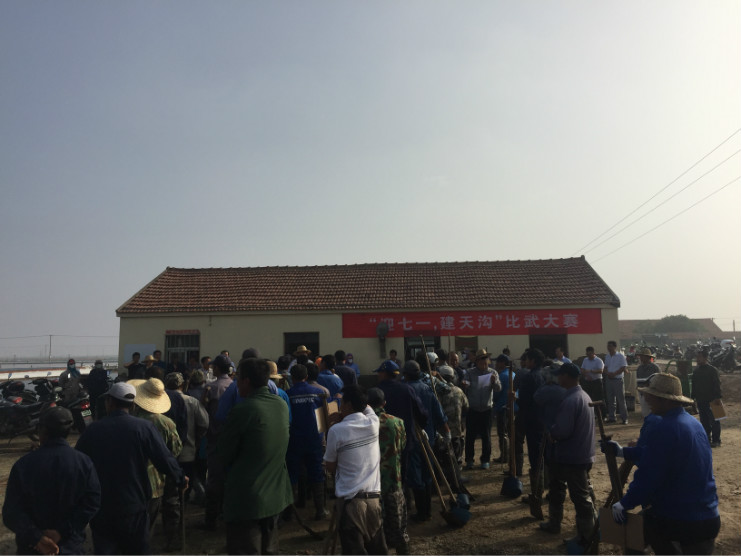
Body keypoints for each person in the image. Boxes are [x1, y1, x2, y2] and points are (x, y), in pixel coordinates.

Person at [607, 373, 720, 555]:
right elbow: (659, 455)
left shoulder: (664, 427)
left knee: (636, 536)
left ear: (665, 400)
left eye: (651, 396)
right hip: (707, 514)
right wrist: (622, 451)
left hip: (680, 517)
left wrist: (625, 503)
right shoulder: (692, 423)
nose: (646, 399)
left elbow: (649, 475)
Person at [75, 382, 185, 555]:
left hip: (103, 506)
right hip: (134, 504)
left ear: (109, 402)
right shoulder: (144, 428)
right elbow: (164, 459)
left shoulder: (92, 430)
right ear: (132, 405)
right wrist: (180, 478)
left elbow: (78, 466)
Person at [218, 358, 293, 555]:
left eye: (238, 380)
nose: (236, 385)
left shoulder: (243, 410)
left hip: (247, 498)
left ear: (246, 381)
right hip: (275, 494)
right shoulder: (280, 404)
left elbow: (224, 454)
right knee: (270, 548)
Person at [3, 407, 100, 556]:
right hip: (70, 546)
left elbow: (11, 513)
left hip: (31, 548)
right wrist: (62, 532)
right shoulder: (83, 463)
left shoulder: (23, 465)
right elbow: (92, 503)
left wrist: (37, 538)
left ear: (42, 430)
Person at [324, 385, 388, 555]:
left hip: (350, 503)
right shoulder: (373, 422)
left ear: (348, 405)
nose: (340, 406)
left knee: (354, 550)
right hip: (374, 500)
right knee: (377, 549)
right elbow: (366, 407)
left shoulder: (336, 430)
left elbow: (330, 465)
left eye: (342, 403)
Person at [537, 363, 596, 550]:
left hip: (571, 456)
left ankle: (586, 538)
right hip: (579, 453)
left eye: (559, 375)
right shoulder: (583, 396)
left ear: (566, 377)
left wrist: (551, 433)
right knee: (558, 488)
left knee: (580, 498)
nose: (557, 378)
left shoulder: (571, 400)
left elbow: (562, 430)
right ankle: (556, 524)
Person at [130, 378, 183, 550]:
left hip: (133, 481)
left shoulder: (132, 421)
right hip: (157, 481)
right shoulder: (166, 423)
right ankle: (169, 541)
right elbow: (175, 450)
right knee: (159, 515)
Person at [402, 360, 449, 522]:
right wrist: (446, 431)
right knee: (427, 473)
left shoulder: (405, 390)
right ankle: (426, 510)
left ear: (406, 374)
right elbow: (439, 413)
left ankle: (422, 511)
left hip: (413, 438)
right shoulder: (427, 388)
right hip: (428, 437)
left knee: (416, 475)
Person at [368, 387, 409, 555]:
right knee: (399, 524)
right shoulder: (397, 422)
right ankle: (403, 550)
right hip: (393, 480)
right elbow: (402, 446)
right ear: (384, 403)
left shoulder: (365, 424)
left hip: (372, 486)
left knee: (376, 529)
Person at [286, 364, 329, 520]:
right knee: (317, 472)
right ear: (306, 377)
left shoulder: (288, 395)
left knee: (292, 474)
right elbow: (324, 417)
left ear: (292, 377)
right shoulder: (319, 393)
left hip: (294, 440)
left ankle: (289, 513)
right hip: (314, 439)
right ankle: (320, 510)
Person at [165, 372, 209, 505]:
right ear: (183, 385)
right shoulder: (192, 401)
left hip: (165, 453)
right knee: (186, 485)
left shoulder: (161, 401)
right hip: (188, 451)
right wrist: (197, 438)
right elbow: (204, 423)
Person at [462, 349, 502, 470]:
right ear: (477, 361)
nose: (484, 363)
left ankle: (485, 460)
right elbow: (465, 384)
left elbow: (498, 388)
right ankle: (469, 460)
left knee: (486, 436)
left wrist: (494, 382)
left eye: (486, 361)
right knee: (470, 436)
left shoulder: (493, 373)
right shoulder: (470, 372)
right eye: (481, 361)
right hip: (472, 409)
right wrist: (465, 384)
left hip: (487, 409)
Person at [513, 348, 547, 478]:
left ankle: (537, 479)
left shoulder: (528, 377)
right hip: (543, 416)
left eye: (527, 359)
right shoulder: (545, 375)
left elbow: (524, 401)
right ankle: (544, 476)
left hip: (531, 417)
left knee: (534, 449)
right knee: (543, 447)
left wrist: (515, 399)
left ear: (533, 361)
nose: (525, 362)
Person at [437, 364, 468, 464]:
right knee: (456, 454)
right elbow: (466, 406)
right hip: (457, 430)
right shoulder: (459, 391)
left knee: (444, 457)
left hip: (443, 431)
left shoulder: (438, 392)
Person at [692, 346, 722, 448]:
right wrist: (693, 398)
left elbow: (717, 384)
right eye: (696, 357)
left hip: (713, 400)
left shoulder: (713, 370)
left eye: (699, 357)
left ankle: (716, 440)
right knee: (704, 421)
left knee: (715, 421)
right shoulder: (696, 371)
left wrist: (718, 397)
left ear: (705, 358)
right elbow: (694, 386)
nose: (697, 359)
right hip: (701, 400)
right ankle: (707, 439)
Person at [492, 354, 515, 464]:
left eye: (497, 362)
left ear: (502, 363)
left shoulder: (501, 376)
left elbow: (497, 393)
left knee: (502, 433)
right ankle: (511, 455)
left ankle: (504, 456)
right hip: (513, 406)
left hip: (502, 407)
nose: (496, 364)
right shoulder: (513, 374)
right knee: (511, 432)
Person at [604, 340, 629, 424]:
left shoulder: (620, 356)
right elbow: (605, 367)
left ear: (615, 347)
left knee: (621, 400)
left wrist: (614, 374)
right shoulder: (607, 356)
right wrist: (608, 373)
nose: (609, 348)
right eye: (608, 346)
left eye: (610, 346)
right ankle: (612, 417)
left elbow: (623, 367)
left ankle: (624, 418)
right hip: (609, 380)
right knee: (610, 400)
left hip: (618, 380)